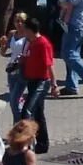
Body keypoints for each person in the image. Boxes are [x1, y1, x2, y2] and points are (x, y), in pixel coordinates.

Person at [16, 17, 54, 154]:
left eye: (25, 30)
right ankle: (42, 144)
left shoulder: (43, 44)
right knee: (38, 113)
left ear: (30, 30)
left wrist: (54, 84)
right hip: (32, 81)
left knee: (27, 111)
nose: (23, 32)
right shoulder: (31, 42)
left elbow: (49, 65)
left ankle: (24, 141)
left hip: (41, 82)